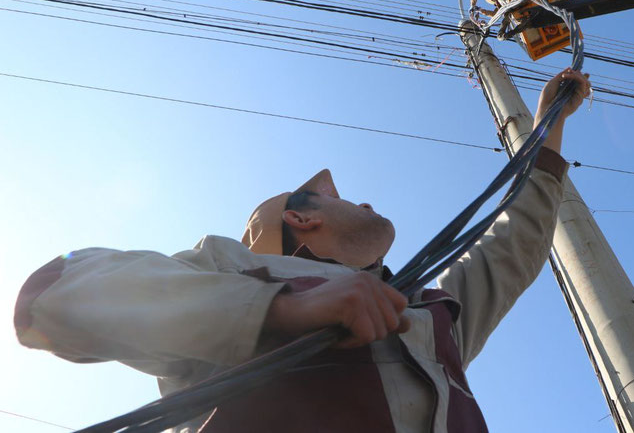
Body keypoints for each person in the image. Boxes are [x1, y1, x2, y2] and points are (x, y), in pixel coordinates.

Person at [14, 69, 591, 433]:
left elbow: (514, 245)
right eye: (339, 196)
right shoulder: (227, 266)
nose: (364, 201)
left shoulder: (425, 308)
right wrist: (280, 308)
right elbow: (55, 296)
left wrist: (549, 125)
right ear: (300, 217)